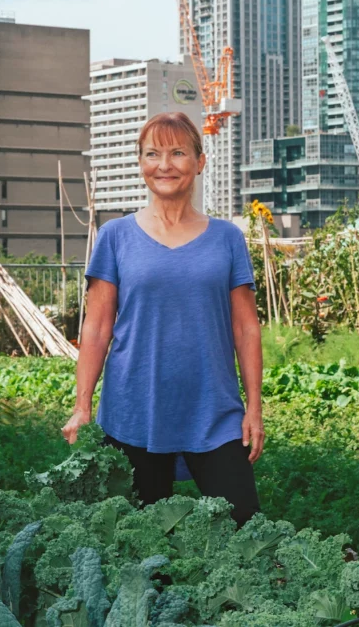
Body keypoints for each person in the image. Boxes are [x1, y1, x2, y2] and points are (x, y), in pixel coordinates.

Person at [61, 112, 264, 526]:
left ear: (200, 162)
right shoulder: (115, 236)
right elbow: (97, 328)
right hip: (133, 411)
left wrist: (254, 408)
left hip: (215, 411)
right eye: (152, 154)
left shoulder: (227, 238)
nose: (164, 164)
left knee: (245, 532)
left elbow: (246, 328)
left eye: (177, 153)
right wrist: (83, 405)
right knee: (142, 548)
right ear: (141, 164)